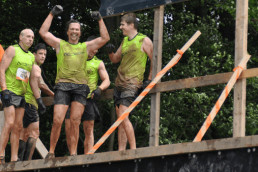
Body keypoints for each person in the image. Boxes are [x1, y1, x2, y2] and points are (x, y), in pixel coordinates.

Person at [39, 5, 110, 158]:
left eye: (77, 29)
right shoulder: (60, 44)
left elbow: (105, 38)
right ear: (67, 32)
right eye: (72, 29)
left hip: (80, 87)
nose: (74, 31)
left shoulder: (86, 46)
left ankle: (73, 153)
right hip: (63, 86)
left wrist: (100, 19)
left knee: (75, 121)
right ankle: (51, 151)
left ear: (80, 32)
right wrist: (51, 13)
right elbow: (43, 33)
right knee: (58, 119)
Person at [106, 13, 153, 150]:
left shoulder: (144, 40)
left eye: (123, 24)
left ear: (131, 25)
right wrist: (110, 53)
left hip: (132, 82)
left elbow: (154, 61)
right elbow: (115, 59)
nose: (120, 27)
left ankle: (133, 149)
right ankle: (121, 151)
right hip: (119, 83)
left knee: (123, 115)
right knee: (121, 120)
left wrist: (149, 79)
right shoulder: (125, 41)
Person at [65, 36, 110, 154]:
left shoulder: (98, 63)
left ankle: (88, 157)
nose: (95, 51)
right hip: (74, 98)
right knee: (70, 128)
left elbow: (107, 80)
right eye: (94, 48)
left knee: (89, 130)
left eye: (97, 49)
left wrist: (99, 89)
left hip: (88, 99)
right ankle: (72, 156)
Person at [0, 29, 35, 164]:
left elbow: (27, 77)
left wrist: (36, 98)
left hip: (21, 94)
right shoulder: (12, 50)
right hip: (9, 91)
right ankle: (1, 155)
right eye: (28, 36)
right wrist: (4, 90)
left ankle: (14, 157)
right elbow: (2, 69)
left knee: (18, 126)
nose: (30, 39)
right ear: (20, 38)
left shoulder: (31, 56)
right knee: (9, 123)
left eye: (32, 37)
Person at [18, 43, 54, 161]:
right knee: (34, 133)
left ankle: (17, 161)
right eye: (40, 54)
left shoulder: (27, 65)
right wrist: (56, 95)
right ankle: (27, 163)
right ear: (34, 54)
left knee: (23, 134)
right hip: (30, 103)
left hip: (21, 102)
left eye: (45, 54)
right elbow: (42, 85)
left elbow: (21, 80)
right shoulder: (35, 67)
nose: (43, 56)